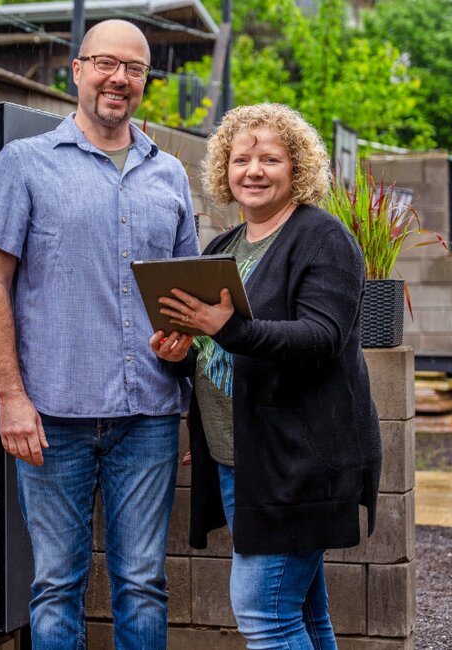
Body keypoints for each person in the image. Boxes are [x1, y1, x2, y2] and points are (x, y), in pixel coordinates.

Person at [0, 20, 199, 650]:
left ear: (145, 82)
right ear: (77, 70)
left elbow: (183, 297)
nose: (119, 79)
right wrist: (10, 397)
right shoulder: (23, 164)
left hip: (150, 415)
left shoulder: (171, 176)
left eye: (134, 69)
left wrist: (183, 346)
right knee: (54, 586)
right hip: (53, 415)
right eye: (106, 63)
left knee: (142, 583)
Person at [151, 103, 382, 649]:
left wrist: (225, 328)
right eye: (240, 159)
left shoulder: (323, 239)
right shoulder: (222, 249)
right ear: (224, 171)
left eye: (270, 159)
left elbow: (321, 339)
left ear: (297, 168)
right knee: (302, 612)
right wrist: (180, 350)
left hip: (300, 460)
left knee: (264, 615)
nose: (253, 171)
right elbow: (220, 352)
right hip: (243, 459)